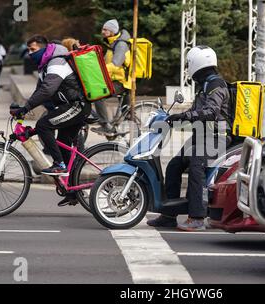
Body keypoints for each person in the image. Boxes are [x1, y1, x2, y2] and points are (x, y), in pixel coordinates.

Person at [147, 46, 230, 231]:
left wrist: (185, 117)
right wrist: (175, 117)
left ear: (197, 63)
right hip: (202, 135)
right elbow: (195, 112)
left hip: (217, 137)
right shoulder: (206, 85)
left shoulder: (216, 85)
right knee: (174, 165)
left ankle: (197, 217)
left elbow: (210, 112)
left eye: (188, 64)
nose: (188, 68)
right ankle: (168, 215)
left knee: (196, 167)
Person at [10, 35, 91, 182]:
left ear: (43, 48)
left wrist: (26, 107)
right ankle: (72, 190)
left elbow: (47, 90)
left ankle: (58, 164)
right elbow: (39, 90)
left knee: (43, 125)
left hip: (76, 106)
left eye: (32, 49)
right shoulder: (45, 65)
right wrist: (24, 108)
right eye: (28, 49)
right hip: (70, 106)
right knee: (63, 145)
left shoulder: (56, 62)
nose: (29, 53)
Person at [92, 19, 132, 135]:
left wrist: (99, 70)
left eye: (105, 29)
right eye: (103, 29)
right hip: (114, 80)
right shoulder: (112, 43)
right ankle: (113, 128)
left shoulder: (121, 45)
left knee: (98, 95)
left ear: (113, 31)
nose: (102, 31)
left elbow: (115, 64)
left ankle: (105, 125)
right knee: (125, 112)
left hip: (121, 82)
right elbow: (106, 63)